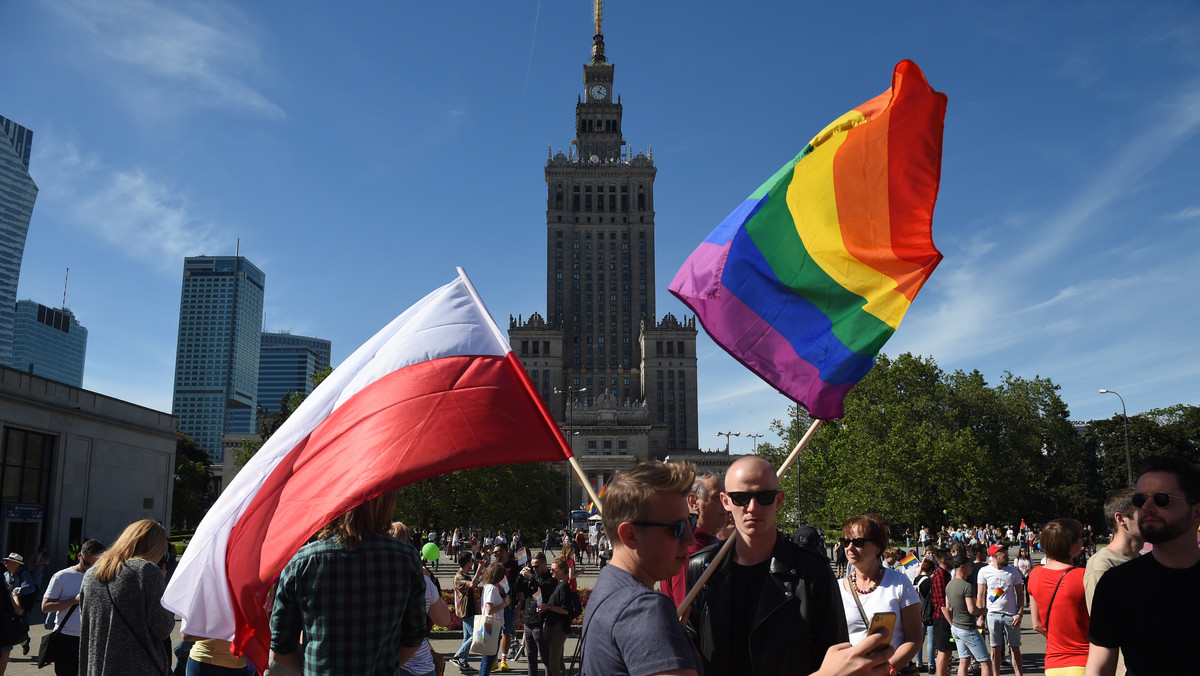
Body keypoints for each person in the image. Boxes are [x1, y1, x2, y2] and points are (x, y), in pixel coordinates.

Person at [685, 456, 892, 676]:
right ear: (726, 501)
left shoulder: (812, 571)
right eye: (740, 498)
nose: (752, 508)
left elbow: (834, 658)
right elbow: (692, 654)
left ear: (779, 500)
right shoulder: (703, 568)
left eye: (764, 496)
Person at [269, 492, 428, 675]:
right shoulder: (406, 558)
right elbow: (414, 637)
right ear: (387, 504)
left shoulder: (302, 562)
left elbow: (280, 647)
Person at [580, 461, 702, 675]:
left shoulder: (609, 584)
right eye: (678, 528)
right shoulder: (644, 609)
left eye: (690, 522)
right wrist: (656, 627)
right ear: (630, 535)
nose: (690, 539)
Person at [1087, 455, 1200, 676]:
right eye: (1140, 500)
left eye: (1161, 499)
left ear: (1196, 511)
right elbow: (1099, 666)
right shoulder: (1116, 584)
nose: (1146, 507)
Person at [78, 520, 175, 675]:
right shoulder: (146, 571)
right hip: (137, 668)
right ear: (155, 548)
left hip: (97, 667)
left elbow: (86, 623)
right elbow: (163, 628)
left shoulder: (91, 573)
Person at [836, 514, 922, 673]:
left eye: (858, 542)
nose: (849, 547)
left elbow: (914, 638)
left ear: (877, 547)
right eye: (846, 542)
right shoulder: (838, 587)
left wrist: (886, 668)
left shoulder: (899, 583)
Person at [1025, 519, 1088, 676]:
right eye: (1080, 537)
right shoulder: (1084, 576)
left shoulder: (1035, 575)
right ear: (1072, 546)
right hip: (1086, 660)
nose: (1083, 540)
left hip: (1053, 664)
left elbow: (1037, 624)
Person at [659, 471, 726, 606]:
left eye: (726, 497)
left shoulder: (708, 544)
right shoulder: (690, 550)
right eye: (717, 497)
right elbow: (685, 610)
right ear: (694, 502)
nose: (725, 504)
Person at [40, 539, 105, 676]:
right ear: (79, 556)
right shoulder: (62, 576)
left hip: (91, 638)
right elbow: (45, 607)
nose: (90, 568)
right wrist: (73, 601)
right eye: (87, 563)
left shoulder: (102, 577)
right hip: (66, 638)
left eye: (95, 564)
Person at [1083, 488, 1143, 612]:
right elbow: (1103, 623)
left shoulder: (1141, 559)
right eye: (1144, 513)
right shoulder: (1101, 566)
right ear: (1120, 519)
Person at [976, 543, 1024, 676]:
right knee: (995, 649)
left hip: (1011, 616)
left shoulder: (1013, 571)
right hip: (992, 615)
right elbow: (981, 595)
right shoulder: (984, 571)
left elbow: (1020, 593)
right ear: (995, 556)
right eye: (1004, 555)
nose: (1007, 557)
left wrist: (1019, 613)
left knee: (1015, 648)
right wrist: (980, 616)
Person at [943, 554, 992, 676]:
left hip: (956, 628)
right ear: (962, 566)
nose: (972, 567)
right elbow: (972, 610)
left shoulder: (950, 584)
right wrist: (982, 611)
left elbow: (948, 607)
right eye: (970, 565)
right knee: (985, 662)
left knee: (964, 660)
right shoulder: (967, 587)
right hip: (968, 629)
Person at [514, 552, 556, 676]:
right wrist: (521, 576)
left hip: (540, 624)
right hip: (528, 623)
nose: (534, 569)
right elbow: (517, 588)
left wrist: (531, 578)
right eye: (532, 567)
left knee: (546, 659)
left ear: (545, 564)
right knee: (531, 659)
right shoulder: (533, 577)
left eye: (536, 566)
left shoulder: (551, 580)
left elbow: (541, 593)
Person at [450, 553, 485, 672]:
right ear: (467, 562)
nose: (472, 562)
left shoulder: (465, 574)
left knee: (467, 638)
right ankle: (457, 656)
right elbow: (471, 585)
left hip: (470, 610)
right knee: (476, 636)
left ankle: (464, 664)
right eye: (471, 560)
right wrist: (479, 570)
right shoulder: (458, 577)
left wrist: (481, 572)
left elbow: (475, 585)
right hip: (465, 611)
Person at [477, 562, 510, 676]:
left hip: (490, 625)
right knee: (489, 658)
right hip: (492, 626)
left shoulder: (487, 587)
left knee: (487, 657)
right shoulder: (492, 589)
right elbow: (489, 609)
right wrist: (504, 604)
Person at [543, 558, 573, 676]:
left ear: (561, 570)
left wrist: (548, 607)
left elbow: (565, 610)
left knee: (553, 662)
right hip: (555, 625)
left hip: (559, 627)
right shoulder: (559, 584)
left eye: (553, 569)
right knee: (559, 661)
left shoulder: (563, 586)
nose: (551, 571)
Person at [928, 548, 954, 676]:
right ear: (944, 561)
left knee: (947, 651)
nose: (952, 561)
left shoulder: (946, 574)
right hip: (942, 618)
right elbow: (942, 603)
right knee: (943, 651)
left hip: (945, 617)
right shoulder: (940, 576)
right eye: (950, 559)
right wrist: (951, 623)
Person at [912, 558, 936, 673]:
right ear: (930, 569)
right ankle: (931, 664)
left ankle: (919, 663)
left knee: (920, 640)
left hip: (919, 612)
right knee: (931, 639)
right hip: (930, 612)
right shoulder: (929, 581)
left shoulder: (916, 579)